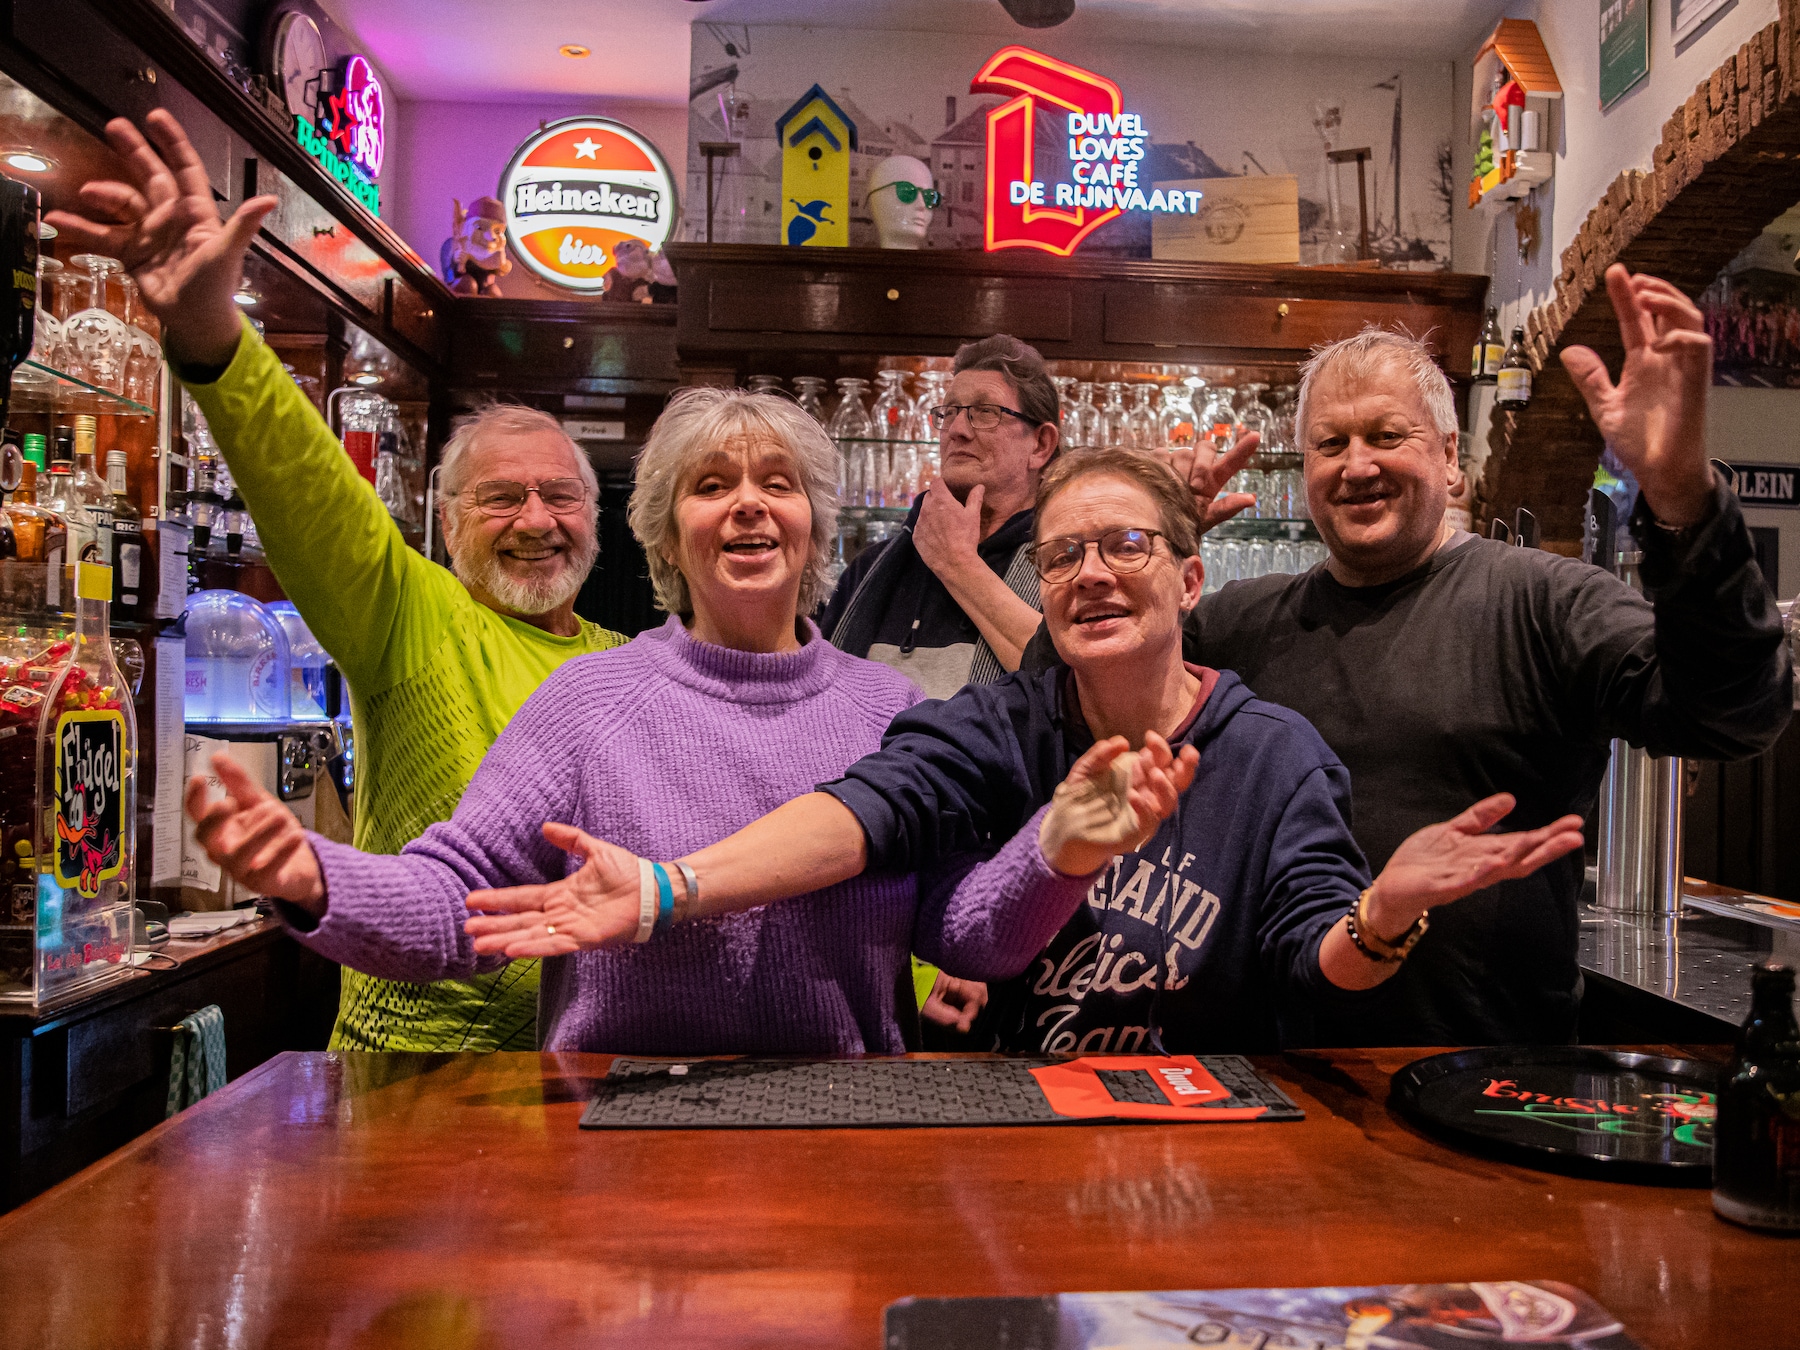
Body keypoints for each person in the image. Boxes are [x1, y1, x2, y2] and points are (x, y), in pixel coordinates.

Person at [420, 450, 1584, 1057]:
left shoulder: (1272, 752)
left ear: (1189, 582)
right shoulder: (1007, 724)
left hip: (1207, 1116)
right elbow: (872, 813)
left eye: (1124, 546)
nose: (1088, 573)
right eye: (1064, 555)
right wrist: (672, 889)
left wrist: (1380, 918)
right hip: (1014, 1112)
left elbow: (1309, 961)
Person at [183, 390, 1194, 1053]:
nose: (749, 508)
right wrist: (318, 879)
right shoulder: (587, 703)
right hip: (616, 1139)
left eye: (778, 484)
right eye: (713, 487)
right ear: (668, 529)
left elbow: (965, 934)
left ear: (815, 523)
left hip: (846, 1138)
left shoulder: (889, 710)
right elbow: (458, 906)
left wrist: (1061, 851)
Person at [47, 110, 626, 1052]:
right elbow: (311, 491)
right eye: (500, 498)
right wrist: (209, 331)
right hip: (414, 1071)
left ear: (595, 525)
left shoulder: (629, 667)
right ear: (445, 523)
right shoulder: (411, 612)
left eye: (559, 496)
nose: (533, 520)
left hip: (581, 1072)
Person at [1092, 267, 1790, 1046]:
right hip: (1267, 1071)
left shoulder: (1546, 603)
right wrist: (1147, 544)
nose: (1357, 464)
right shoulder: (1240, 623)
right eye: (1330, 444)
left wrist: (1684, 500)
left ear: (1451, 457)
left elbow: (1735, 714)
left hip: (1487, 1075)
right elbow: (1067, 707)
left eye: (1387, 436)